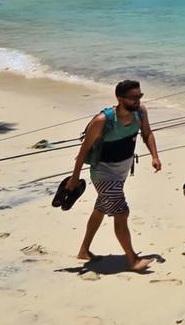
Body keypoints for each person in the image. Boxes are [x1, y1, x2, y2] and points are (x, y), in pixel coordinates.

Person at [67, 79, 161, 272]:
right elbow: (83, 151)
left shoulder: (140, 112)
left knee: (101, 208)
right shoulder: (104, 121)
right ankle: (132, 260)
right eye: (133, 97)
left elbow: (147, 134)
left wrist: (154, 155)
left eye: (139, 96)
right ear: (120, 98)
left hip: (121, 172)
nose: (137, 100)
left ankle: (84, 250)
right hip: (102, 172)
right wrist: (74, 177)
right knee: (121, 212)